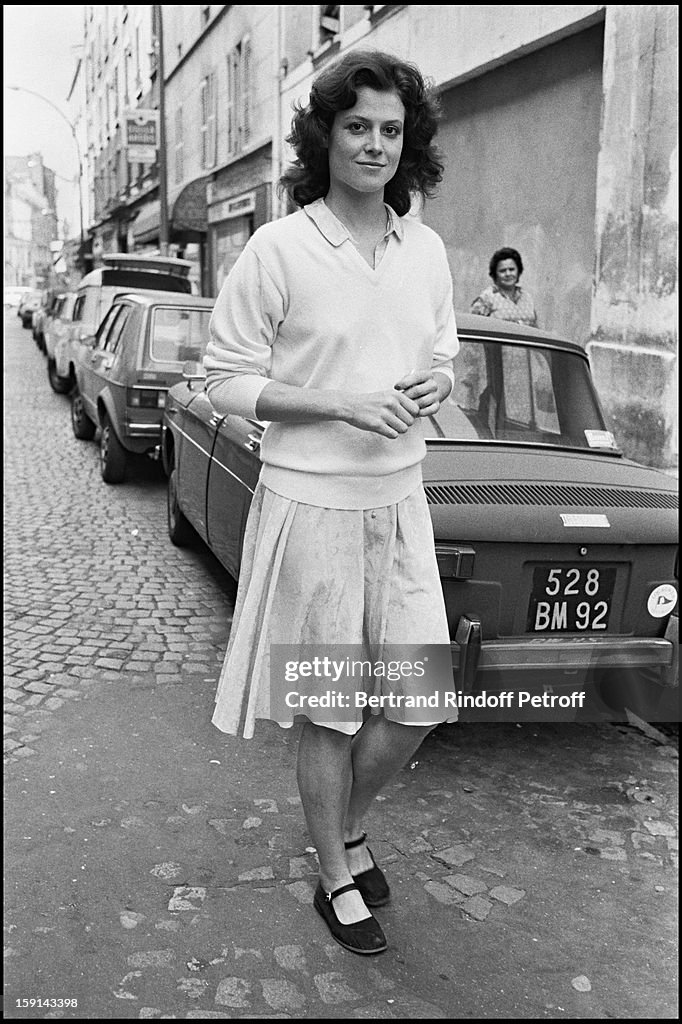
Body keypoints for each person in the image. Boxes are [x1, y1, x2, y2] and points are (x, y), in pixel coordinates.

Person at [203, 49, 459, 956]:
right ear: (326, 135)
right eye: (358, 127)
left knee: (419, 698)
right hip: (310, 504)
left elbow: (442, 351)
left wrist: (433, 383)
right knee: (330, 704)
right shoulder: (279, 248)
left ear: (409, 142)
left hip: (401, 499)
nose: (376, 145)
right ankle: (334, 873)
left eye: (392, 130)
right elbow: (223, 380)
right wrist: (340, 402)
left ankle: (342, 825)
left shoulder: (423, 248)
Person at [470, 246, 538, 326]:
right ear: (495, 274)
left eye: (511, 269)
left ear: (518, 271)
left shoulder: (526, 297)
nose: (508, 274)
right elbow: (474, 326)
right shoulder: (487, 298)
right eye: (502, 271)